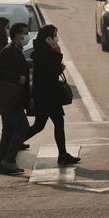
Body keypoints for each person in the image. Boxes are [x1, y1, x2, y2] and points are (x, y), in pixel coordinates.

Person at [24, 25, 81, 165]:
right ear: (47, 38)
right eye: (54, 35)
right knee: (55, 123)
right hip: (46, 95)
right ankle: (62, 155)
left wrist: (56, 57)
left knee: (40, 125)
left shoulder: (44, 51)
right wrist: (58, 53)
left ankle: (12, 144)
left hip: (47, 94)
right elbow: (51, 70)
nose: (56, 38)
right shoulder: (42, 53)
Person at [0, 22, 32, 175]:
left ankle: (0, 165)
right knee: (23, 127)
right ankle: (8, 160)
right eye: (24, 33)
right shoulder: (8, 51)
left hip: (13, 98)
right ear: (16, 35)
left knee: (8, 131)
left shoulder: (17, 50)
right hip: (9, 98)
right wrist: (17, 78)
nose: (26, 36)